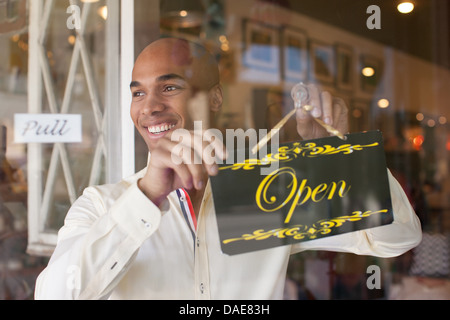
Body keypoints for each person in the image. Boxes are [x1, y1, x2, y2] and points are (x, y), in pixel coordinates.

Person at [34, 37, 421, 300]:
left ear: (214, 97)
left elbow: (397, 238)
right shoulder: (103, 205)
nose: (148, 106)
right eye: (138, 92)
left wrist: (340, 157)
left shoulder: (266, 192)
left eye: (169, 87)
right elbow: (55, 294)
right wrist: (147, 196)